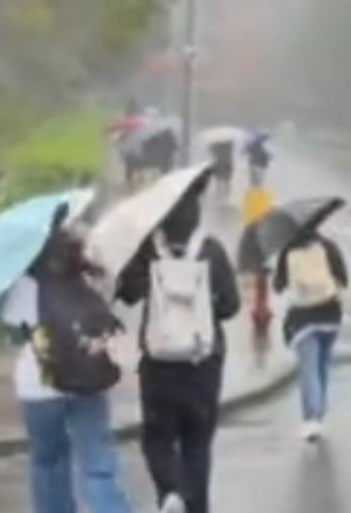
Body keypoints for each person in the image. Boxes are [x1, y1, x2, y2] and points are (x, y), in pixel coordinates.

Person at [115, 173, 240, 513]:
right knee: (198, 443)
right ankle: (196, 505)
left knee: (157, 437)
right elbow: (231, 307)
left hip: (158, 362)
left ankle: (170, 492)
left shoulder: (147, 251)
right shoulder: (212, 250)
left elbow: (126, 295)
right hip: (204, 362)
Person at [2, 211, 135, 513]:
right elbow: (107, 314)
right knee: (97, 462)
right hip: (89, 378)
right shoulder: (91, 276)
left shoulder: (25, 284)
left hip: (39, 384)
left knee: (48, 462)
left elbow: (14, 334)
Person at [273, 226, 349, 442]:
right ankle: (320, 412)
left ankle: (311, 418)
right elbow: (343, 279)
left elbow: (278, 285)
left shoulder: (288, 252)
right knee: (322, 365)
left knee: (308, 369)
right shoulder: (329, 247)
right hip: (331, 316)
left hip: (303, 318)